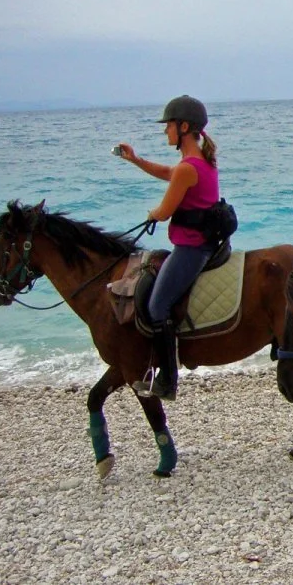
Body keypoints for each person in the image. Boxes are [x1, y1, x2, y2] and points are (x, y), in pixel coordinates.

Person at [115, 95, 221, 401]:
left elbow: (164, 210)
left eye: (169, 126)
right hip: (200, 245)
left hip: (192, 250)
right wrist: (135, 160)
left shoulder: (189, 168)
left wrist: (152, 214)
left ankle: (168, 381)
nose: (166, 132)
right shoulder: (198, 162)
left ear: (184, 127)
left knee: (157, 306)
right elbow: (167, 173)